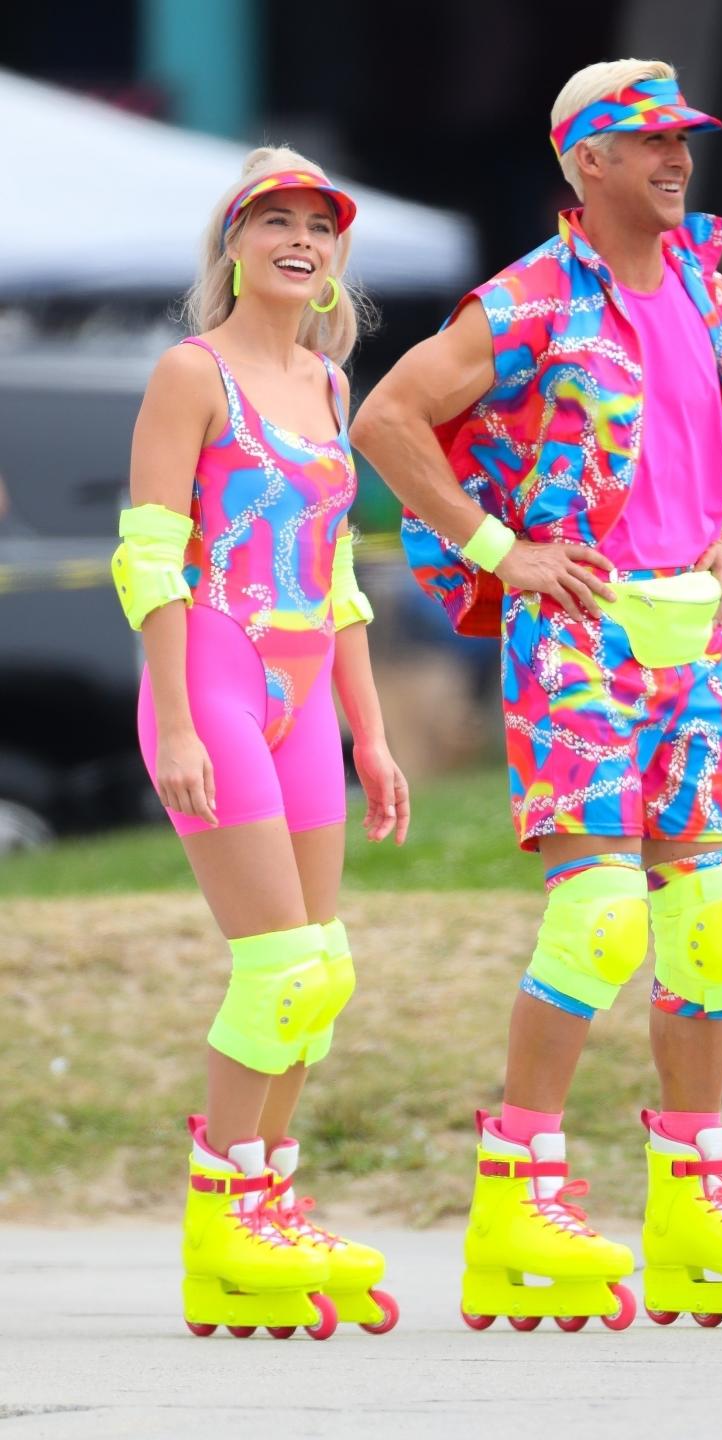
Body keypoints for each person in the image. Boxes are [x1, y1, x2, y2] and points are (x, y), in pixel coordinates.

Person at [352, 60, 722, 1330]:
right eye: (648, 141)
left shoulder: (708, 288)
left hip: (692, 636)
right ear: (586, 162)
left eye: (684, 140)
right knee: (603, 917)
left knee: (713, 922)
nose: (676, 159)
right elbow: (387, 419)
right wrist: (499, 549)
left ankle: (692, 1208)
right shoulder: (531, 301)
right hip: (579, 641)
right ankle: (518, 1197)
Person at [113, 146, 408, 1340]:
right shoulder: (192, 373)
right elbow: (147, 557)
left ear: (337, 256)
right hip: (216, 689)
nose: (300, 238)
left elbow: (335, 577)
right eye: (272, 220)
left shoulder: (331, 386)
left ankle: (268, 1210)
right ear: (231, 244)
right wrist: (178, 716)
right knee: (277, 967)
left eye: (319, 226)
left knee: (319, 976)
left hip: (301, 698)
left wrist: (372, 736)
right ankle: (223, 1222)